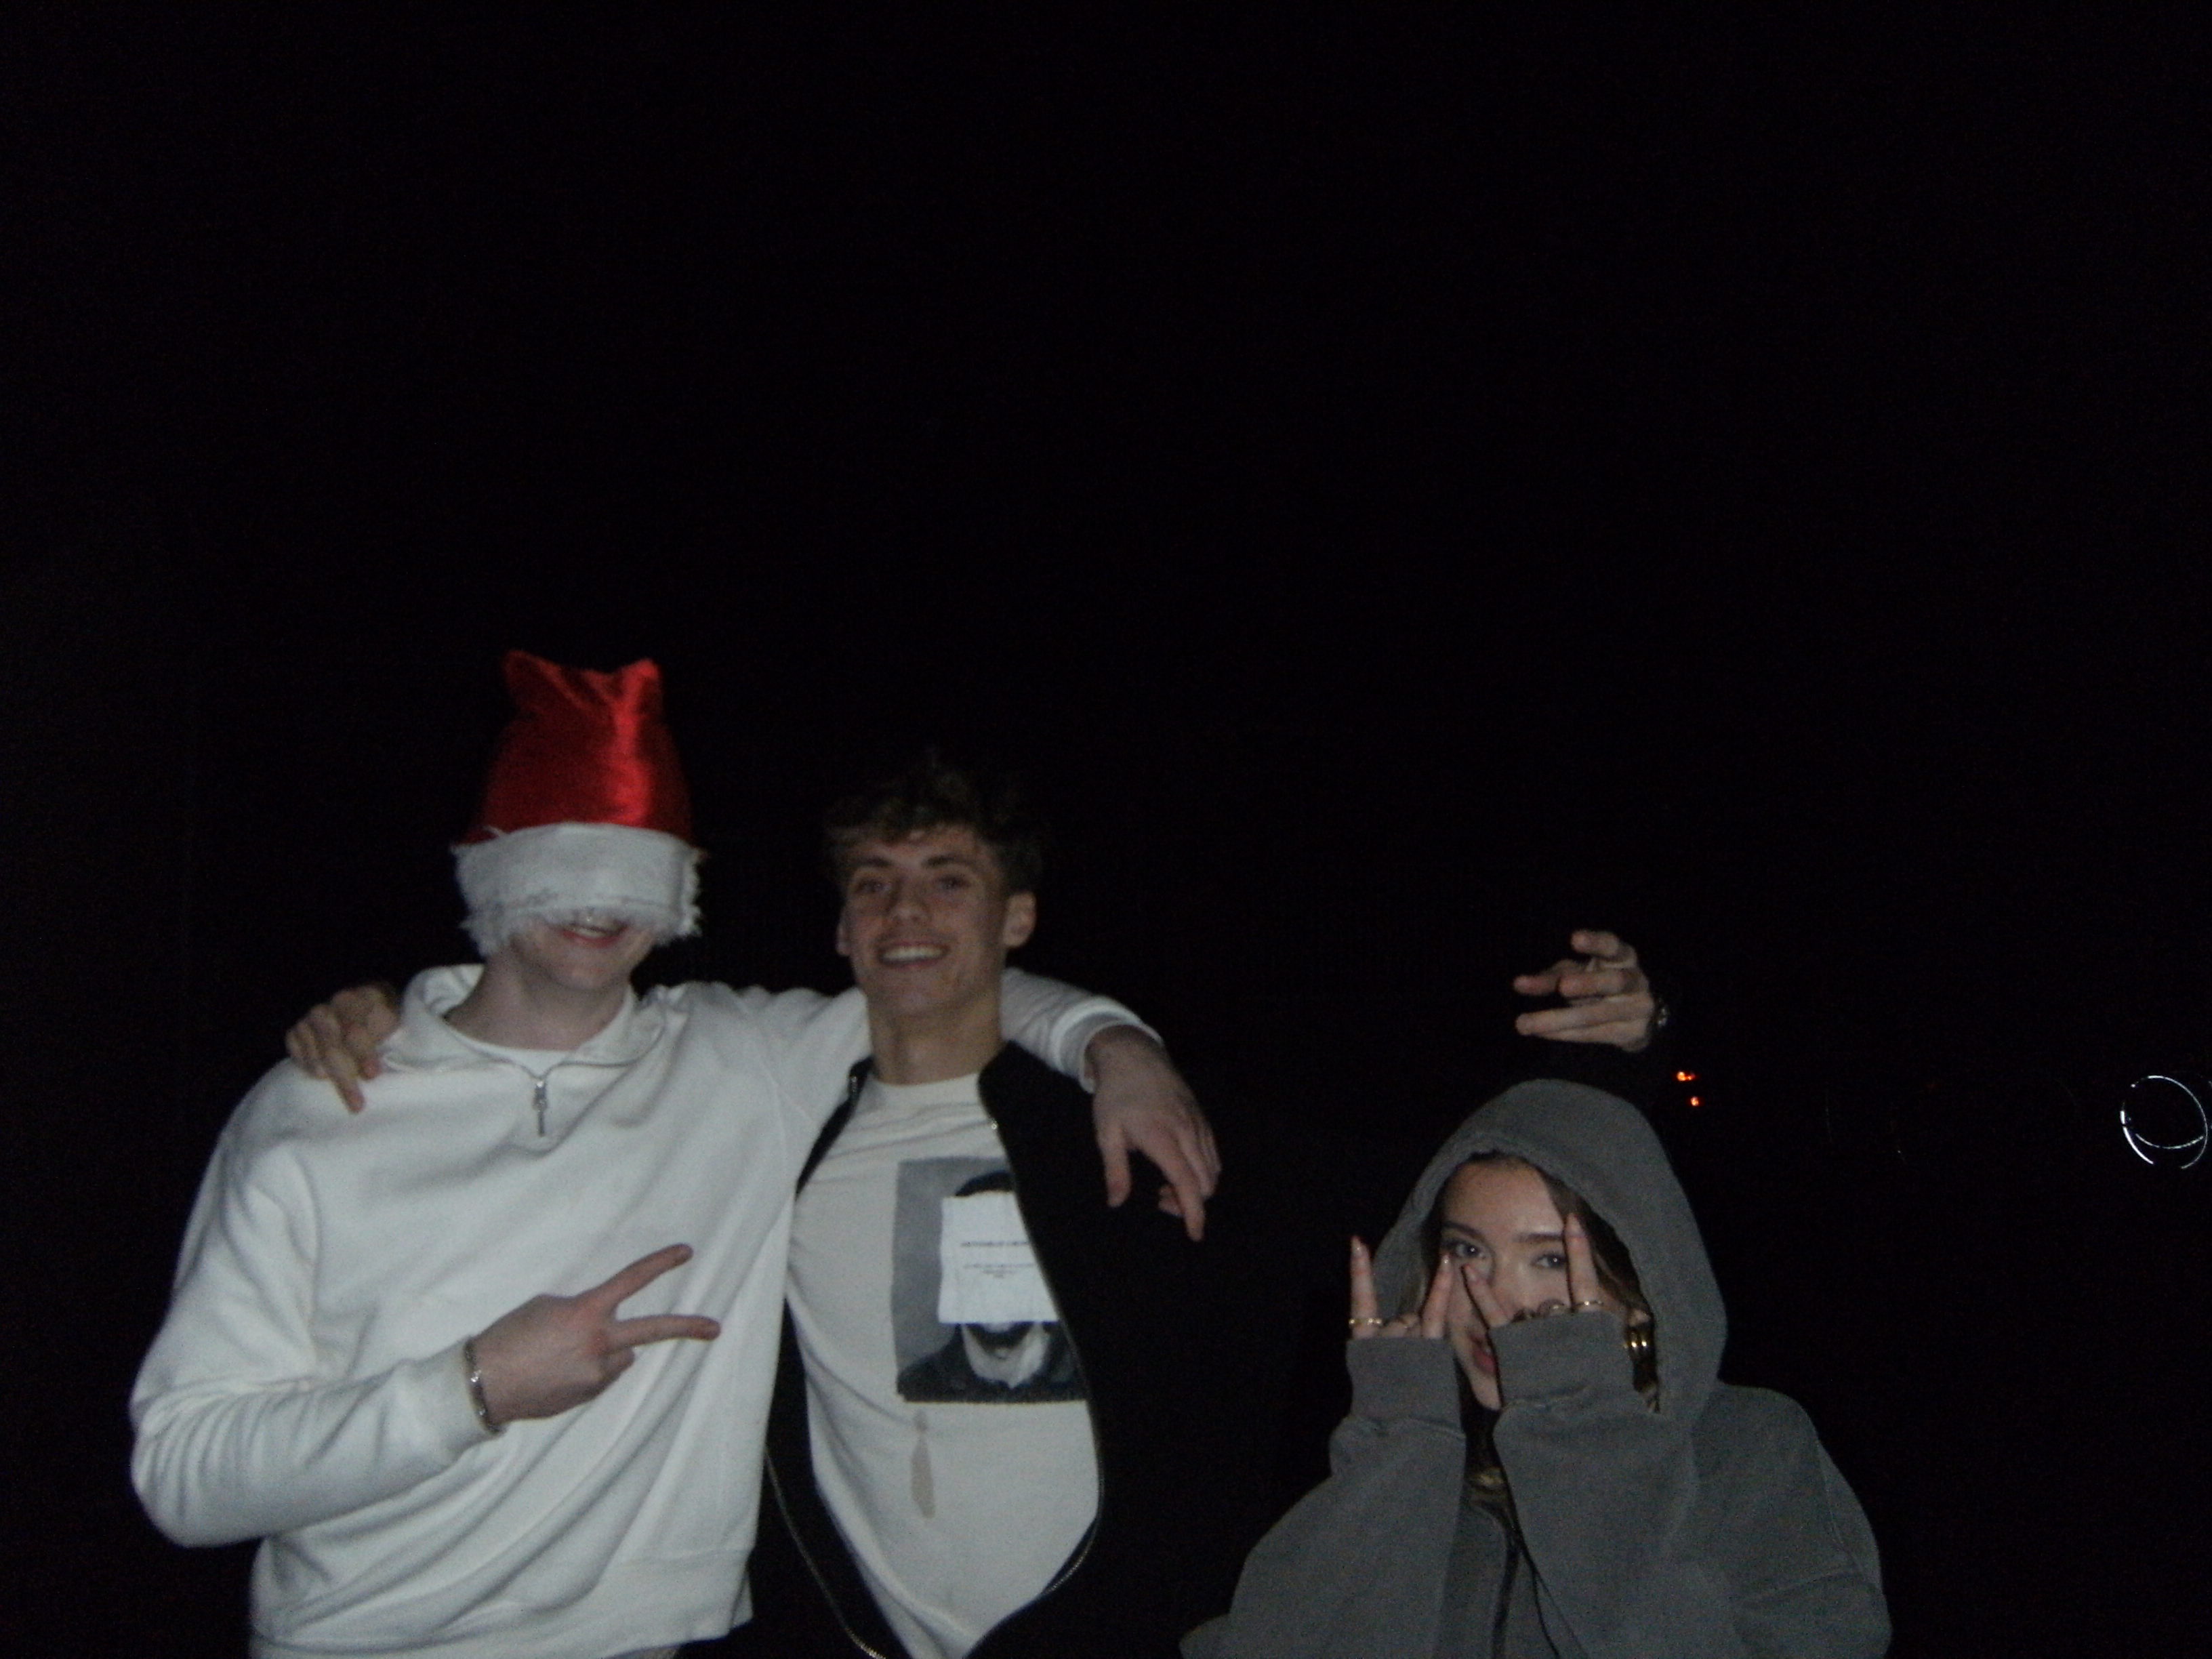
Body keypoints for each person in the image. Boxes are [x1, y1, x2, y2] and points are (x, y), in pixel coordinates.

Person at [131, 654, 1205, 1659]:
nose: (596, 904)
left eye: (629, 876)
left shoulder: (742, 1058)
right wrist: (475, 1387)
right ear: (492, 879)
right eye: (559, 868)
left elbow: (939, 984)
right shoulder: (322, 1106)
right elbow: (182, 1476)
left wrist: (1115, 1046)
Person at [1183, 1079, 1889, 1659]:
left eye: (1549, 1259)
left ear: (1637, 1293)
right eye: (1468, 1252)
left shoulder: (1747, 1445)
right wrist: (1393, 1459)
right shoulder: (1419, 1458)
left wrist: (1575, 1428)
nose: (1499, 1301)